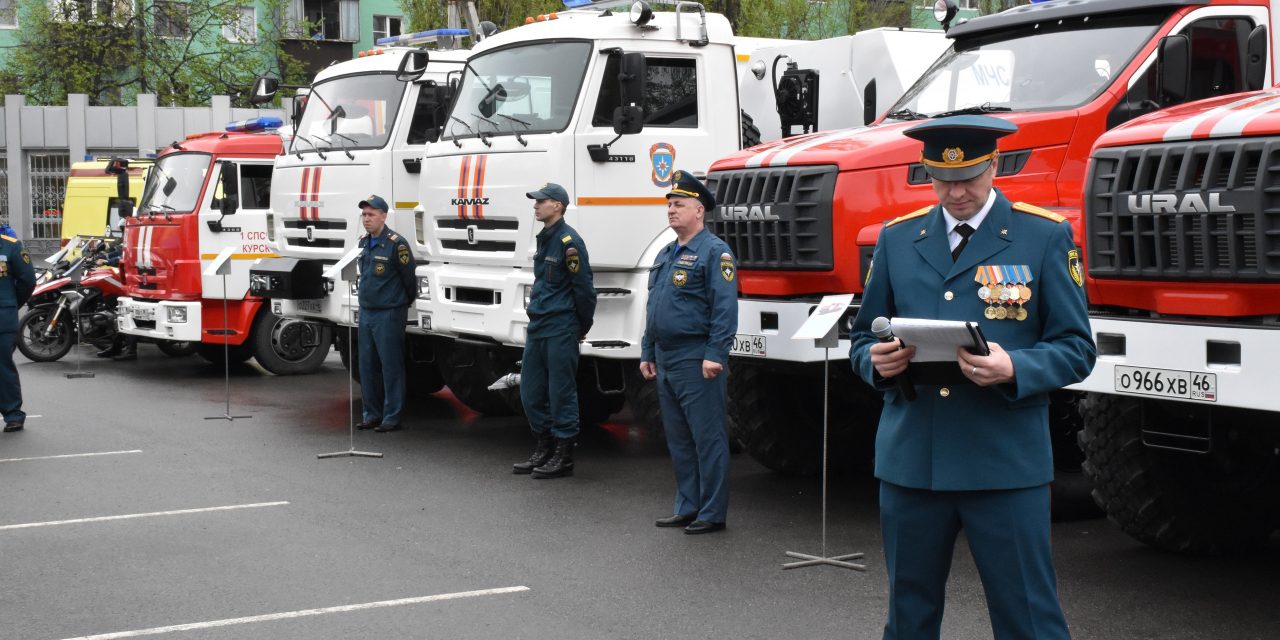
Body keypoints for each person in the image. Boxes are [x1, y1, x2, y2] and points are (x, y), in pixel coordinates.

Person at [849, 115, 1096, 640]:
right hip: (914, 461)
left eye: (968, 178)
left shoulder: (1043, 235)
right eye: (941, 180)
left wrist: (1016, 367)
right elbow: (863, 336)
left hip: (1003, 462)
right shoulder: (898, 239)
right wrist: (876, 362)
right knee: (909, 619)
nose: (956, 192)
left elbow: (1077, 348)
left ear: (994, 166)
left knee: (1029, 618)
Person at [640, 170, 738, 535]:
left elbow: (724, 309)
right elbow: (654, 306)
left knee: (707, 438)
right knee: (679, 438)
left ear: (699, 210)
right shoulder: (667, 253)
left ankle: (712, 512)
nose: (671, 210)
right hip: (666, 357)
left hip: (696, 357)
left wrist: (716, 354)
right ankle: (688, 505)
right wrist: (647, 350)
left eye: (679, 204)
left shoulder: (715, 253)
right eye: (669, 204)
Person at [512, 182, 597, 479]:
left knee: (560, 392)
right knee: (530, 391)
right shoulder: (545, 238)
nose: (535, 206)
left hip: (561, 326)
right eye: (536, 201)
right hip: (539, 325)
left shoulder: (569, 242)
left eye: (541, 201)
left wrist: (580, 326)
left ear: (557, 206)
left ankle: (563, 454)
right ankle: (543, 445)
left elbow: (584, 290)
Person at [354, 195, 416, 433]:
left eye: (371, 214)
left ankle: (391, 417)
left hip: (388, 313)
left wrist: (399, 303)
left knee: (391, 366)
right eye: (364, 215)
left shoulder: (396, 244)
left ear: (383, 216)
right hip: (367, 311)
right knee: (366, 366)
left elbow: (408, 279)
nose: (366, 219)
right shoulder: (363, 242)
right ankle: (371, 414)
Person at [2, 227, 36, 432]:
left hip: (2, 317)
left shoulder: (11, 246)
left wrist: (12, 303)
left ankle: (13, 414)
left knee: (2, 366)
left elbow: (28, 280)